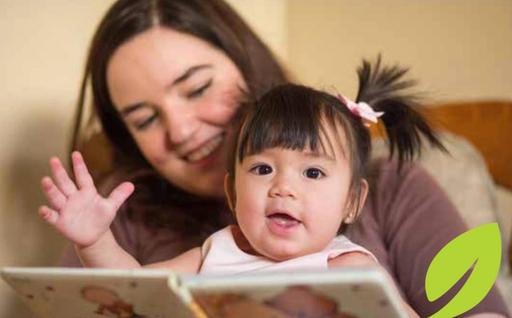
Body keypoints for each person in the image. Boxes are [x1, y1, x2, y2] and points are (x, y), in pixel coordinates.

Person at [53, 0, 509, 316]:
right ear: (234, 192)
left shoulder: (354, 265)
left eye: (197, 88)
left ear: (353, 200)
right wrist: (94, 241)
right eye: (145, 118)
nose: (181, 130)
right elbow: (132, 287)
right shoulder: (206, 244)